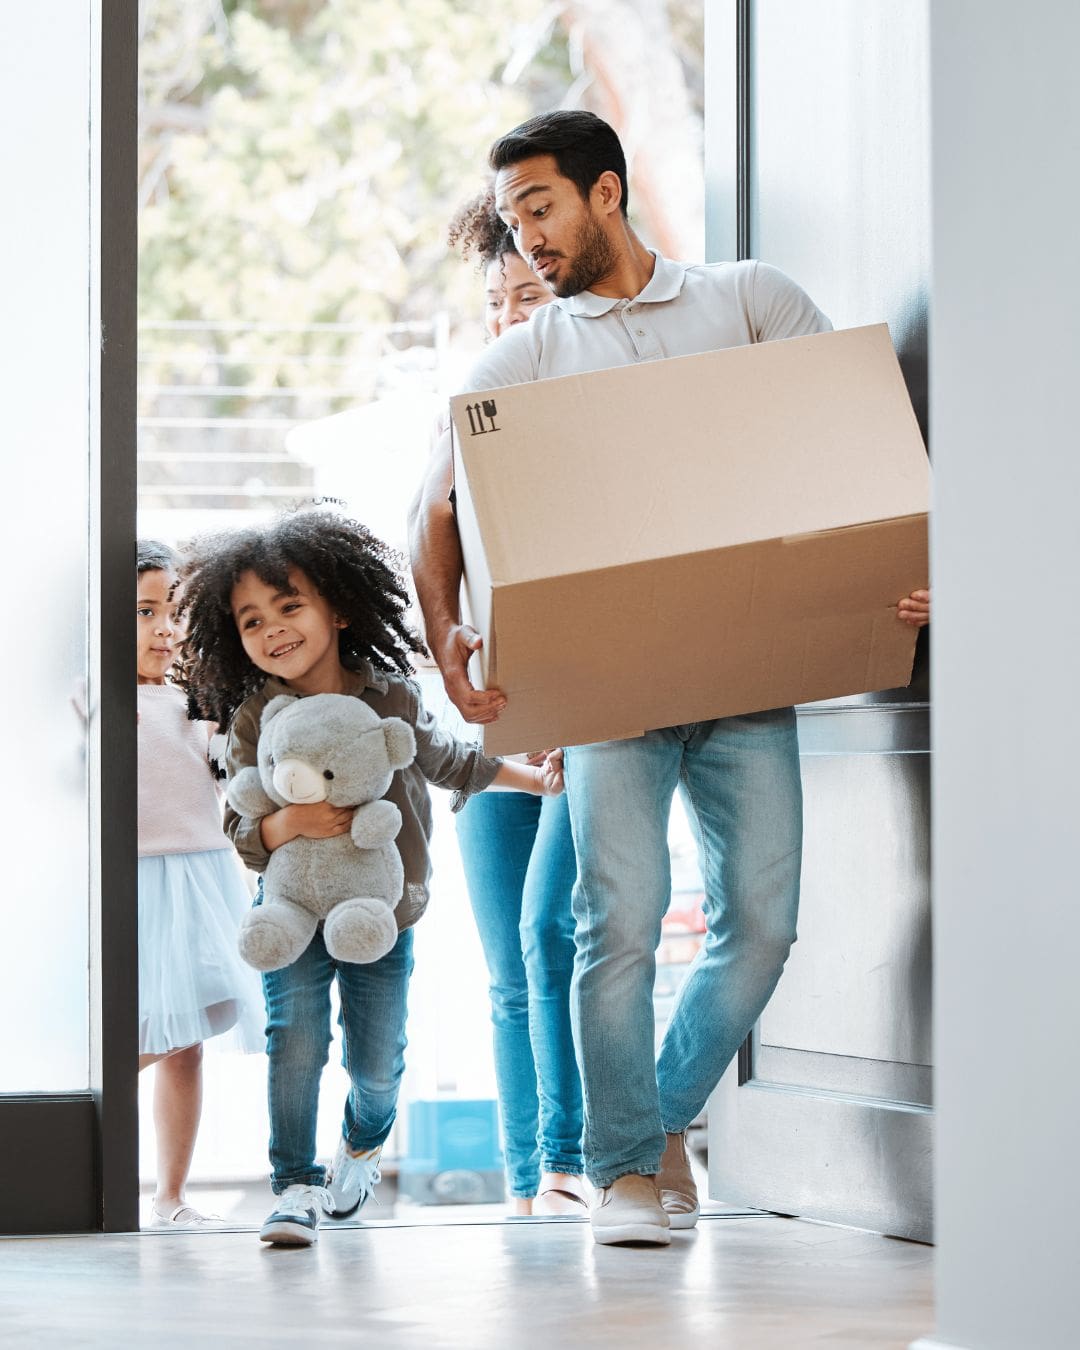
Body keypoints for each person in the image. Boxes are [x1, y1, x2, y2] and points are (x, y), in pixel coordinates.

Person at [409, 110, 932, 1247]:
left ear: (606, 191)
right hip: (613, 695)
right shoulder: (526, 357)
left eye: (539, 208)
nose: (526, 238)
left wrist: (909, 567)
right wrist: (448, 638)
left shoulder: (748, 301)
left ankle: (657, 1123)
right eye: (510, 220)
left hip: (750, 676)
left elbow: (856, 446)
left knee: (762, 924)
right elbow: (436, 510)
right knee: (620, 926)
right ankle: (621, 1176)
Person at [179, 508, 563, 1246]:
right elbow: (239, 820)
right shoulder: (255, 716)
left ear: (340, 609)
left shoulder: (389, 696)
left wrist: (535, 779)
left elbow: (452, 761)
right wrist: (283, 827)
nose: (273, 629)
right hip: (290, 905)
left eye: (289, 606)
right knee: (295, 1040)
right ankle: (293, 1184)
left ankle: (360, 1143)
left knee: (378, 1063)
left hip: (381, 911)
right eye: (252, 620)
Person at [438, 192, 584, 1215]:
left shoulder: (600, 409)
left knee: (554, 939)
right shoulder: (464, 420)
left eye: (527, 294)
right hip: (490, 730)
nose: (508, 316)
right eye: (496, 300)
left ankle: (577, 1158)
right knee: (506, 971)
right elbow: (434, 559)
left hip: (586, 727)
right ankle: (530, 1181)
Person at [136, 539, 264, 1229]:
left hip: (205, 871)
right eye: (144, 611)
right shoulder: (93, 696)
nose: (164, 628)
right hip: (139, 878)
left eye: (172, 611)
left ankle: (171, 1195)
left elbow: (227, 770)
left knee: (193, 1034)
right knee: (160, 1023)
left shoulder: (192, 698)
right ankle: (73, 1099)